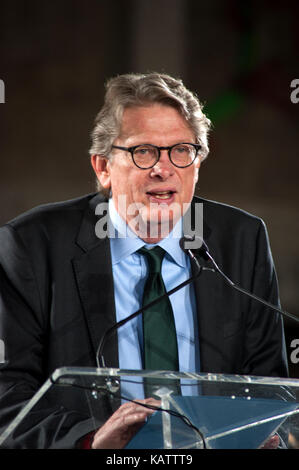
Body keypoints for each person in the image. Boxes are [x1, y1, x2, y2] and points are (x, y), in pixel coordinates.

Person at [0, 72, 288, 449]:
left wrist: (269, 435)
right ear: (103, 168)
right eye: (143, 151)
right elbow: (8, 393)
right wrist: (90, 441)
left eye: (181, 150)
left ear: (197, 163)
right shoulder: (32, 245)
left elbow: (268, 384)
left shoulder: (241, 240)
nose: (163, 168)